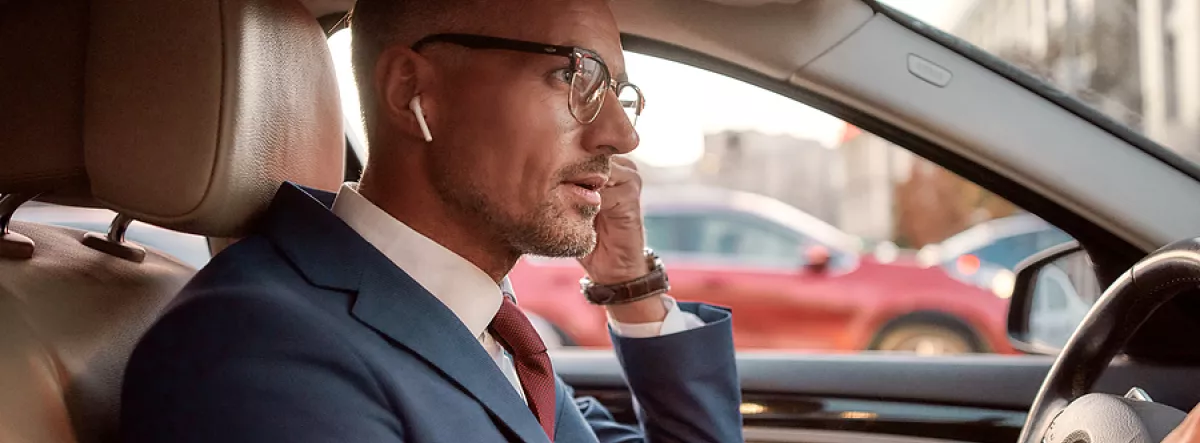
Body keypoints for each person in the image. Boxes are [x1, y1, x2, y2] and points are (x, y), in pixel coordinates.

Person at [118, 0, 742, 442]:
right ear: (411, 91)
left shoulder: (482, 322)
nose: (621, 134)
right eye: (576, 76)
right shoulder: (257, 352)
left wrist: (630, 285)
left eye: (621, 96)